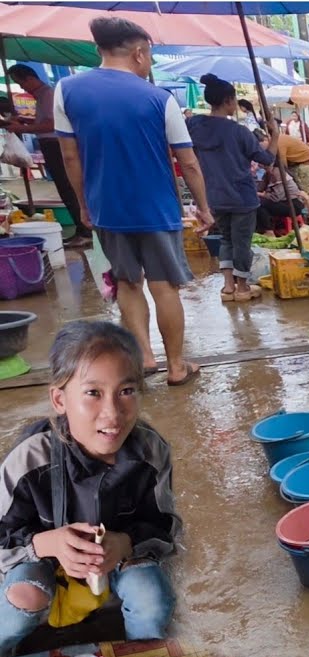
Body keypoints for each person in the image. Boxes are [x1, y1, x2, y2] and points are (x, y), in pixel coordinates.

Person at [0, 321, 181, 655]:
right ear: (59, 399)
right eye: (92, 393)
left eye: (126, 391)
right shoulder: (28, 461)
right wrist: (46, 544)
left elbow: (166, 528)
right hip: (41, 564)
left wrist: (124, 543)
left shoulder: (151, 453)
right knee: (21, 600)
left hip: (117, 562)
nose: (112, 413)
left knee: (151, 600)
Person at [54, 15, 211, 387]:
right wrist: (203, 207)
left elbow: (70, 158)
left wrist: (83, 203)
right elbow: (187, 160)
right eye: (151, 56)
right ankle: (176, 366)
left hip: (107, 208)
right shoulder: (160, 99)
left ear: (99, 50)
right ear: (139, 53)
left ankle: (144, 357)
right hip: (156, 209)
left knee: (127, 284)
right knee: (164, 286)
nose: (150, 63)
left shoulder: (67, 90)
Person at [186, 73, 280, 303]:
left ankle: (228, 287)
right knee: (242, 242)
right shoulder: (239, 132)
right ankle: (243, 287)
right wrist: (275, 134)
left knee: (226, 239)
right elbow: (267, 158)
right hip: (241, 195)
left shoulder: (195, 125)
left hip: (214, 195)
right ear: (228, 101)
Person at [1, 65, 92, 244]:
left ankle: (85, 232)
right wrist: (24, 121)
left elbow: (51, 125)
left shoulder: (48, 95)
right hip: (49, 145)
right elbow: (44, 121)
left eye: (20, 83)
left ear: (29, 79)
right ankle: (82, 229)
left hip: (54, 145)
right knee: (64, 187)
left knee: (68, 188)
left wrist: (22, 128)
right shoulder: (42, 96)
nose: (21, 88)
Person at [256, 165, 305, 233]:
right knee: (258, 204)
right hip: (282, 202)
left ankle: (268, 231)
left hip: (292, 205)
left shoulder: (277, 172)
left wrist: (261, 194)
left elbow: (276, 198)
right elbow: (260, 188)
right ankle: (267, 230)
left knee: (259, 204)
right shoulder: (268, 173)